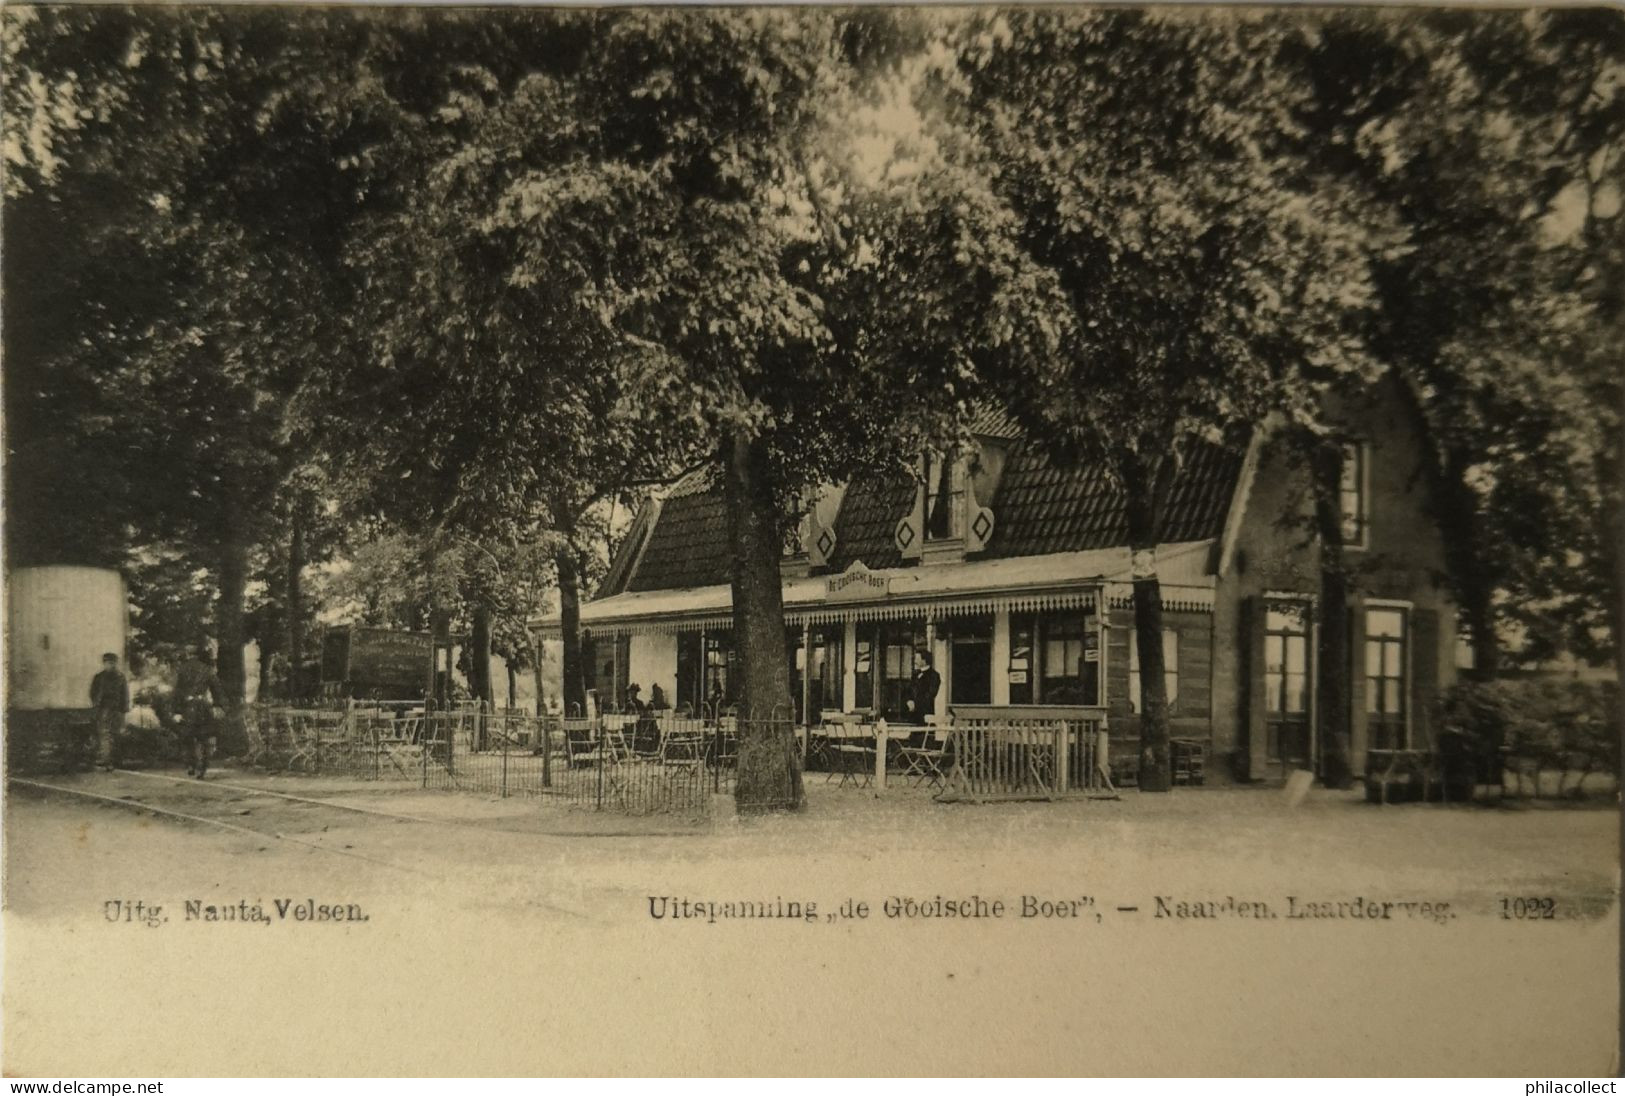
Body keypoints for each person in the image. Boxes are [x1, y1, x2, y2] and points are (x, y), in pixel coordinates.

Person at [173, 644, 227, 779]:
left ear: (187, 654)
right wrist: (218, 705)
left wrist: (176, 711)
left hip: (187, 707)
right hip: (202, 707)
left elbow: (177, 692)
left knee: (187, 736)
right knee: (204, 737)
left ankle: (190, 765)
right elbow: (217, 690)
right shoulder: (207, 669)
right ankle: (202, 767)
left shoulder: (182, 669)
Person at [88, 652, 130, 771]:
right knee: (104, 734)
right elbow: (93, 692)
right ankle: (106, 760)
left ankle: (115, 760)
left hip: (117, 710)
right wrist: (96, 704)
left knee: (116, 734)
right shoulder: (99, 677)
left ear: (115, 663)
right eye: (107, 663)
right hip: (103, 709)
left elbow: (125, 695)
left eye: (112, 663)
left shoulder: (120, 677)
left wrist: (124, 710)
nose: (110, 665)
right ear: (104, 663)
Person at [904, 648, 941, 725]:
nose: (915, 661)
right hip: (912, 717)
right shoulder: (915, 674)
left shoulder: (934, 676)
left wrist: (916, 704)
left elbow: (930, 694)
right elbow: (908, 691)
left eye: (917, 659)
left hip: (925, 716)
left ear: (924, 661)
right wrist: (909, 701)